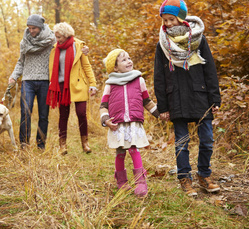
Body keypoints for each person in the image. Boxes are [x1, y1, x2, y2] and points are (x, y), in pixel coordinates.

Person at [154, 0, 221, 196]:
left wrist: (215, 97)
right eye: (165, 20)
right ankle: (185, 178)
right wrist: (163, 106)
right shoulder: (162, 44)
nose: (168, 24)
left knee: (207, 139)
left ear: (181, 18)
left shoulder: (198, 40)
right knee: (182, 142)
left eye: (171, 19)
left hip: (200, 96)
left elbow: (209, 70)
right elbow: (159, 76)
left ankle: (204, 174)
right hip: (176, 99)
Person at [100, 49, 159, 197]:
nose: (129, 61)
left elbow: (147, 101)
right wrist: (106, 120)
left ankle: (140, 182)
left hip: (133, 123)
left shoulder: (139, 80)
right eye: (124, 60)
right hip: (117, 124)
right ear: (115, 67)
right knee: (120, 152)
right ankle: (122, 182)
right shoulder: (110, 84)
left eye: (129, 58)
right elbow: (103, 105)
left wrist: (159, 114)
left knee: (134, 149)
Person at [47, 22, 97, 155]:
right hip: (62, 86)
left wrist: (92, 84)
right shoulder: (54, 48)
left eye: (60, 37)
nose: (57, 40)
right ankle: (62, 145)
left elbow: (87, 66)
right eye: (56, 37)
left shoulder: (78, 46)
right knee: (63, 115)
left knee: (81, 113)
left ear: (66, 35)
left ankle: (85, 143)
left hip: (78, 84)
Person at [9, 14, 55, 150]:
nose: (31, 31)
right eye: (29, 28)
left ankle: (41, 145)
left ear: (40, 27)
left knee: (43, 115)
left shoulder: (51, 41)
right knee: (25, 112)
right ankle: (24, 144)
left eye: (34, 28)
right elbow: (21, 62)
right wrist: (13, 76)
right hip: (27, 81)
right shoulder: (24, 42)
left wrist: (82, 49)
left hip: (45, 81)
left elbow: (67, 44)